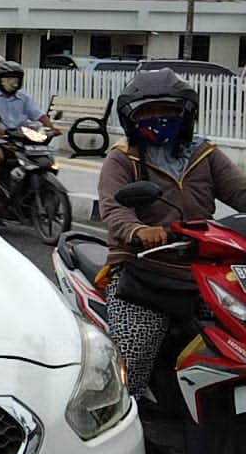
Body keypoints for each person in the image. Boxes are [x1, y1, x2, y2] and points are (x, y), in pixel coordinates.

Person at [98, 69, 246, 400]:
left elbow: (240, 193)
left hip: (205, 271)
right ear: (131, 119)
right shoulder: (122, 159)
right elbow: (113, 209)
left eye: (168, 111)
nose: (159, 118)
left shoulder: (203, 153)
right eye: (148, 113)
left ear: (185, 114)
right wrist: (139, 230)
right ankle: (118, 420)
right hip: (144, 273)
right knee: (129, 364)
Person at [0, 60, 55, 183]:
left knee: (44, 160)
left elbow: (40, 115)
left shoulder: (24, 98)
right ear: (0, 80)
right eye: (9, 79)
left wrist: (52, 128)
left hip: (22, 140)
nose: (13, 82)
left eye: (16, 79)